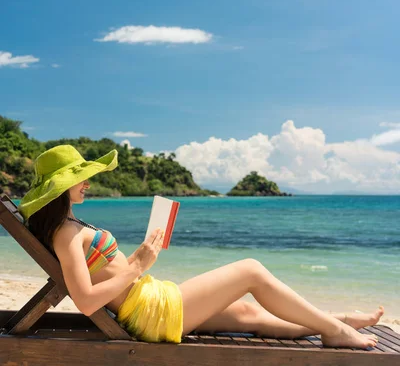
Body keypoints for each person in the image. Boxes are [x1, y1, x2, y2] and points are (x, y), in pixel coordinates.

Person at [19, 145, 382, 348]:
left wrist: (138, 259)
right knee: (251, 269)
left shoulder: (69, 226)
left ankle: (337, 321)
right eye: (81, 178)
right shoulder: (66, 234)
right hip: (150, 312)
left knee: (248, 315)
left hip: (150, 300)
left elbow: (102, 275)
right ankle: (336, 333)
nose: (88, 183)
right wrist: (136, 266)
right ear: (60, 186)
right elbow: (85, 301)